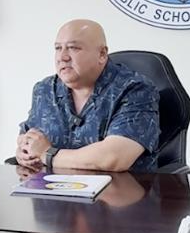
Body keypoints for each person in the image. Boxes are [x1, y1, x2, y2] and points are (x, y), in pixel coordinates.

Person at [16, 19, 160, 172]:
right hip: (54, 186)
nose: (62, 57)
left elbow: (114, 158)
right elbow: (28, 140)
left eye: (73, 48)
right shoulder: (44, 90)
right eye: (58, 48)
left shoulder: (135, 90)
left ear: (102, 54)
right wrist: (24, 153)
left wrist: (47, 154)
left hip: (119, 186)